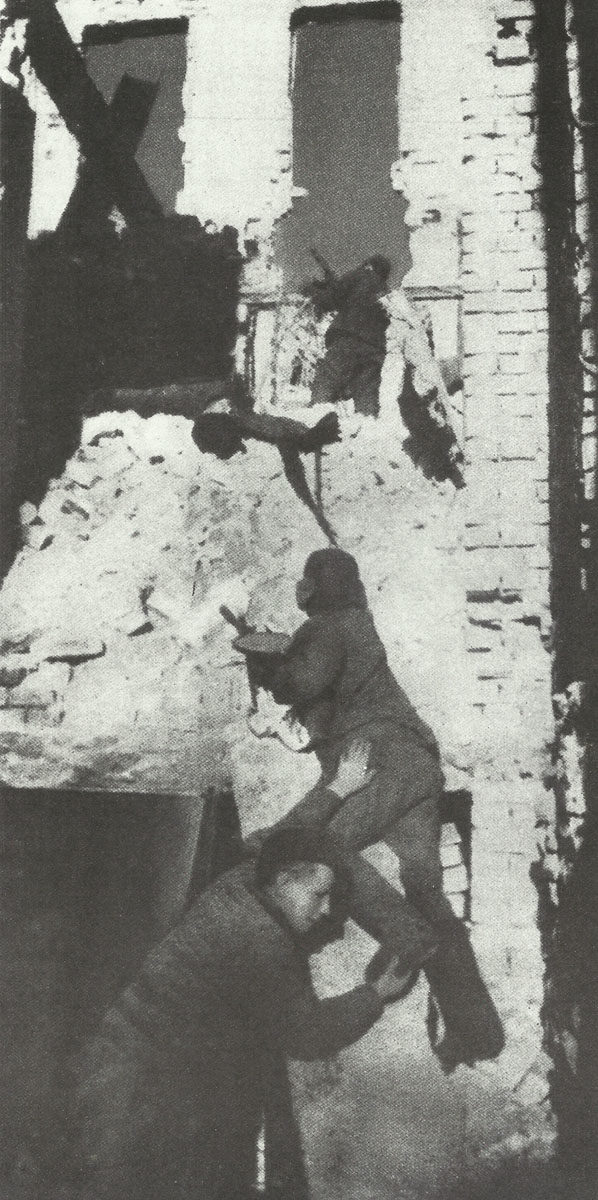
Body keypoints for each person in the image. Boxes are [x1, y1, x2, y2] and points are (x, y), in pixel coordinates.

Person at [73, 779, 412, 1200]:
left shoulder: (246, 877)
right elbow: (308, 1035)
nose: (328, 912)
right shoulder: (263, 940)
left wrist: (337, 789)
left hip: (117, 1057)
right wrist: (377, 994)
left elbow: (283, 834)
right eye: (320, 894)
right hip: (139, 1090)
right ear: (285, 879)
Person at [243, 547, 505, 1072]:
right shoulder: (359, 626)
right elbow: (319, 699)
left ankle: (408, 941)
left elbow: (302, 680)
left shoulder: (328, 626)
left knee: (326, 854)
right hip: (416, 767)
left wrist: (268, 660)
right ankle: (477, 1030)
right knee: (427, 892)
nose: (300, 589)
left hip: (380, 760)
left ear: (316, 587)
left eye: (304, 580)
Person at [307, 254, 392, 416]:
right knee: (367, 389)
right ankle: (367, 424)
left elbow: (333, 297)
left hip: (348, 336)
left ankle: (315, 418)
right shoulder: (385, 291)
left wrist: (321, 291)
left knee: (329, 377)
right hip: (375, 346)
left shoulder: (359, 275)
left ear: (369, 265)